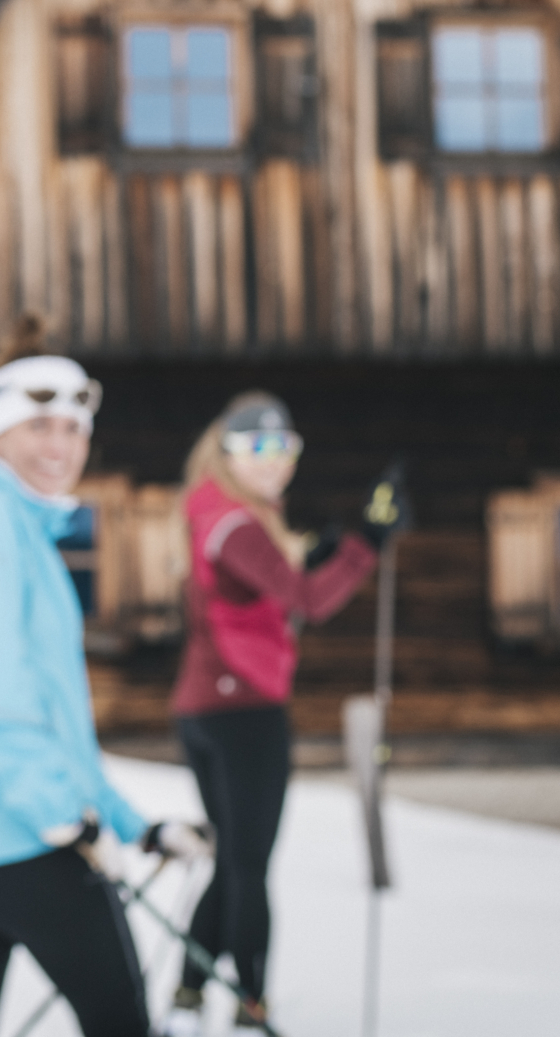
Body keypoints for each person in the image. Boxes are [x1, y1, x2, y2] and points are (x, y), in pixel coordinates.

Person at [0, 346, 211, 1037]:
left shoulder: (5, 525)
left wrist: (134, 825)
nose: (60, 445)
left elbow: (57, 724)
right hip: (17, 846)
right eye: (40, 426)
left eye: (74, 428)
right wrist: (59, 811)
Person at [160, 393, 404, 1035]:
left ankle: (189, 997)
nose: (274, 464)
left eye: (285, 448)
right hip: (244, 710)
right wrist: (365, 546)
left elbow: (264, 594)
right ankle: (252, 1006)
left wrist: (323, 552)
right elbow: (308, 601)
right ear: (227, 452)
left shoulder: (220, 511)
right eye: (257, 449)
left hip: (204, 707)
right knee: (248, 865)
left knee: (233, 859)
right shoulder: (238, 524)